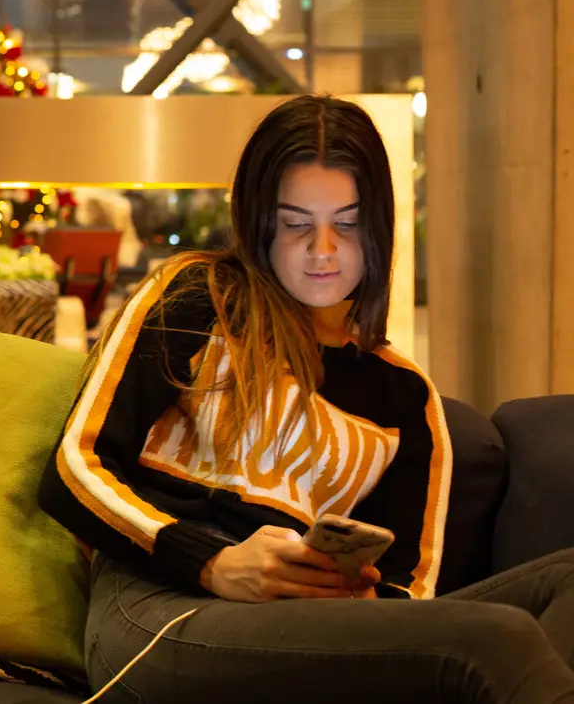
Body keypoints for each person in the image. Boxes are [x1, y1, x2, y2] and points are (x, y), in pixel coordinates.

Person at [38, 94, 574, 704]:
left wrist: (361, 594)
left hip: (312, 624)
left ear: (376, 228)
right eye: (296, 223)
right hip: (160, 612)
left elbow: (411, 592)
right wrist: (212, 561)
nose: (323, 250)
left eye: (346, 223)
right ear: (262, 223)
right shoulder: (196, 298)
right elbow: (72, 469)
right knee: (492, 640)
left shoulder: (404, 396)